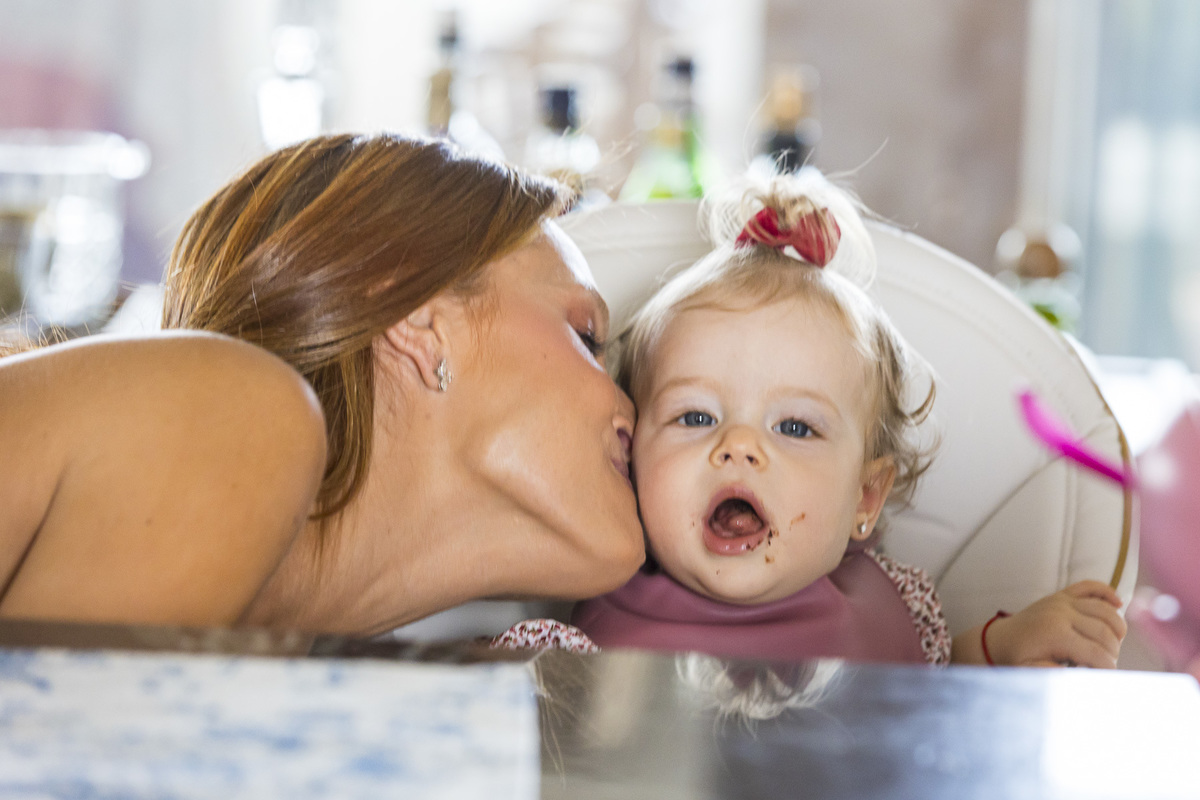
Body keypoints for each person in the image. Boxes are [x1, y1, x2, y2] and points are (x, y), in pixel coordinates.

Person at [0, 133, 644, 635]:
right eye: (586, 337)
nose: (630, 406)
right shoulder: (231, 409)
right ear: (420, 321)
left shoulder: (274, 636)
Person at [501, 168, 1128, 668]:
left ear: (865, 496)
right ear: (631, 459)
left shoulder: (890, 614)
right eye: (695, 417)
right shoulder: (583, 652)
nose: (738, 446)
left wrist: (999, 648)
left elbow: (930, 699)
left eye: (795, 428)